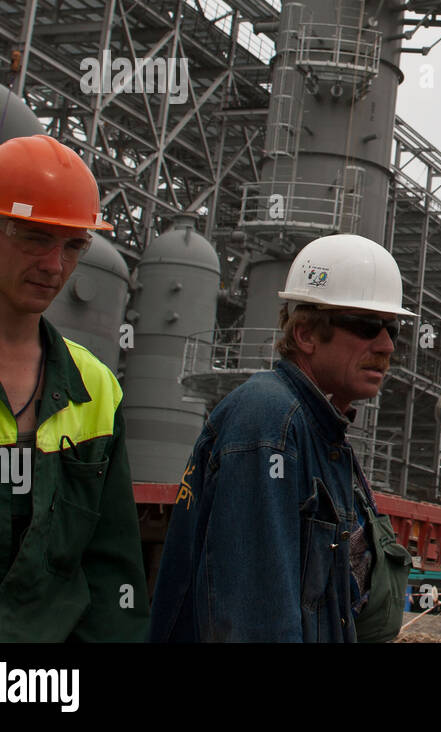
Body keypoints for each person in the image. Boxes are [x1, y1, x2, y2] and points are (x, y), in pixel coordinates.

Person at [0, 133, 149, 641]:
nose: (55, 266)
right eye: (34, 238)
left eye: (73, 245)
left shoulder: (94, 386)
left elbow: (111, 570)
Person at [149, 234, 415, 642]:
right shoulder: (268, 421)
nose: (386, 345)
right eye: (365, 326)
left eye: (391, 329)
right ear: (306, 334)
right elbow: (256, 622)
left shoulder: (318, 432)